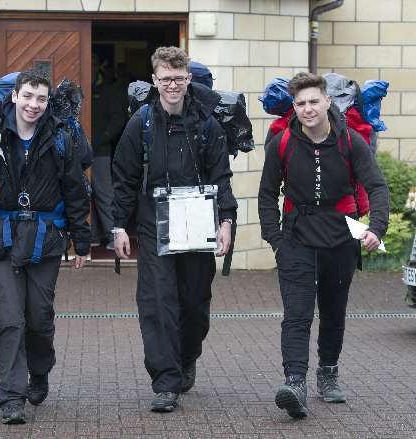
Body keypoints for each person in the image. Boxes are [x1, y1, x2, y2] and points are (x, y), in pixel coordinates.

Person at [112, 46, 237, 412]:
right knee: (157, 303)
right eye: (165, 78)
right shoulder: (142, 124)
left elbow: (221, 177)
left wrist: (227, 221)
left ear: (188, 79)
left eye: (178, 79)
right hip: (155, 227)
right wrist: (119, 227)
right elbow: (123, 178)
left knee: (195, 304)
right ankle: (165, 382)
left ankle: (186, 357)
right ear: (154, 80)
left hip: (198, 226)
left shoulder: (208, 126)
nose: (172, 85)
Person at [258, 72, 389, 419]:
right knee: (297, 314)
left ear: (327, 102)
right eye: (300, 103)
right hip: (296, 238)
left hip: (341, 236)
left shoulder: (350, 142)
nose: (307, 108)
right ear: (294, 107)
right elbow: (267, 195)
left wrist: (376, 227)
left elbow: (376, 186)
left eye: (314, 101)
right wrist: (276, 241)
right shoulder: (282, 143)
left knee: (333, 311)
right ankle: (295, 382)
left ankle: (328, 373)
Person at [0, 69, 90, 424]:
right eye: (28, 97)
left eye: (41, 99)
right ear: (14, 97)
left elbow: (75, 191)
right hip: (3, 241)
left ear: (47, 101)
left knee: (38, 317)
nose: (33, 105)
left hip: (45, 240)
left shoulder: (59, 139)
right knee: (9, 320)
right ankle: (11, 397)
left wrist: (81, 241)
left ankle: (39, 370)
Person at [91, 56, 127, 249]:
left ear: (98, 67)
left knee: (104, 194)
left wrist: (102, 139)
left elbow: (118, 119)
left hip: (100, 151)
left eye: (92, 64)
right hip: (76, 152)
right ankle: (92, 235)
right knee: (82, 194)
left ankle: (113, 236)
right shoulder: (78, 89)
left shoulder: (109, 89)